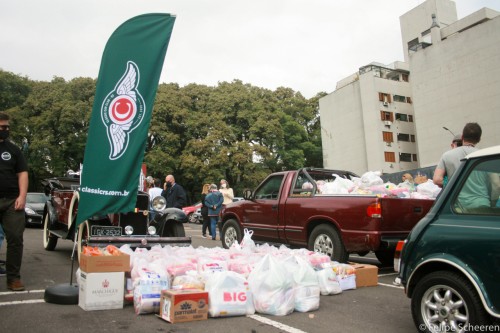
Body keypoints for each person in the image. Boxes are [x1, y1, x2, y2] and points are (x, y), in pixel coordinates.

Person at [0, 112, 28, 291]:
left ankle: (13, 279)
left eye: (7, 127)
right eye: (2, 127)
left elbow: (23, 173)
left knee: (16, 239)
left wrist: (22, 196)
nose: (6, 130)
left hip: (12, 201)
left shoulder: (13, 150)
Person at [433, 123, 482, 188]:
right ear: (479, 139)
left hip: (457, 197)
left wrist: (453, 184)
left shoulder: (447, 155)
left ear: (462, 137)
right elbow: (495, 184)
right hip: (482, 197)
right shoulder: (485, 156)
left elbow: (437, 179)